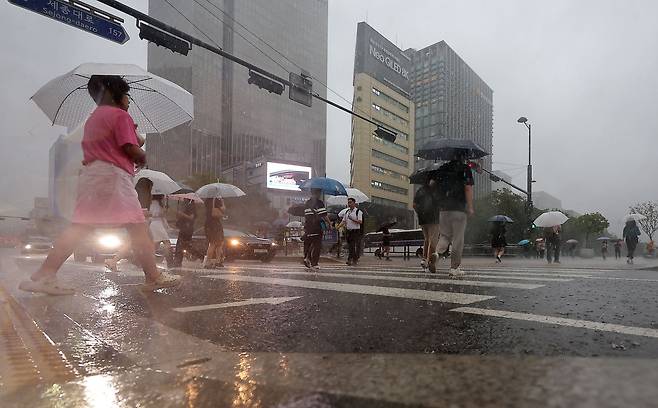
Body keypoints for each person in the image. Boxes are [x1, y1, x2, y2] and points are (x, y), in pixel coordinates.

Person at [19, 75, 180, 295]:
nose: (129, 101)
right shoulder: (119, 116)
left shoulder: (93, 119)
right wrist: (142, 156)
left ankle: (46, 272)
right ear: (115, 95)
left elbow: (121, 141)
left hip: (92, 175)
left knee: (80, 226)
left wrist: (134, 135)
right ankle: (153, 276)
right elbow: (131, 148)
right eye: (127, 96)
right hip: (113, 176)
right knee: (137, 226)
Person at [432, 155, 475, 278]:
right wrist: (470, 207)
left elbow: (432, 184)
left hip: (444, 209)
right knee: (458, 238)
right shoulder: (465, 169)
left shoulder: (442, 169)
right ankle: (454, 268)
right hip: (459, 209)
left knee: (445, 236)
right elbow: (468, 188)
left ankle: (437, 254)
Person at [413, 177, 440, 272]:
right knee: (433, 240)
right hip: (433, 218)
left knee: (427, 239)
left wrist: (420, 213)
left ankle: (424, 259)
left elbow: (414, 205)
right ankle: (430, 261)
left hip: (422, 219)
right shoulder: (435, 190)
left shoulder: (420, 190)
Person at [303, 188, 331, 270]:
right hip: (316, 227)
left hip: (308, 227)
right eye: (320, 193)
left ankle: (306, 257)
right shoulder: (319, 203)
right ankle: (314, 263)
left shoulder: (307, 203)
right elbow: (324, 215)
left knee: (308, 243)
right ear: (318, 193)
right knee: (317, 245)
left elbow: (306, 215)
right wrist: (329, 223)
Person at [172, 198, 201, 267]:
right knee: (184, 245)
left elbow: (191, 217)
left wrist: (182, 214)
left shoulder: (191, 206)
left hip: (187, 228)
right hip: (184, 228)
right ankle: (178, 261)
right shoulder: (186, 205)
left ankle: (177, 262)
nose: (184, 199)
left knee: (182, 245)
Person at [204, 196, 226, 268]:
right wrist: (222, 202)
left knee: (213, 243)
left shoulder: (207, 200)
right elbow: (223, 209)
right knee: (217, 243)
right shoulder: (216, 200)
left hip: (208, 224)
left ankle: (210, 261)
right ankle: (215, 261)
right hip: (215, 224)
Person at [342, 197, 363, 266]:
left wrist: (352, 219)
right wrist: (338, 227)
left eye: (350, 202)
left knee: (352, 245)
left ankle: (350, 259)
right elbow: (343, 221)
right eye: (348, 202)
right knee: (350, 246)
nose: (349, 204)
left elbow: (360, 221)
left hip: (355, 231)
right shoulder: (347, 212)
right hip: (348, 231)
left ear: (354, 203)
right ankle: (354, 258)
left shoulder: (358, 212)